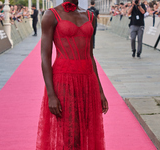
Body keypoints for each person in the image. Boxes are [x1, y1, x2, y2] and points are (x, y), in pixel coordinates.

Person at [36, 0, 108, 149]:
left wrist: (100, 91)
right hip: (64, 81)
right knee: (70, 135)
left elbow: (90, 55)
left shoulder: (90, 16)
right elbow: (45, 57)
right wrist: (51, 95)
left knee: (87, 132)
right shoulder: (51, 15)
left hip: (88, 81)